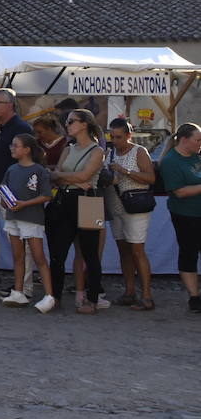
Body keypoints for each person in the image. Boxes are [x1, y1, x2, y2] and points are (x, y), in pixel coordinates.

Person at [48, 110, 106, 315]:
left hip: (89, 201)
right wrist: (72, 178)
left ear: (84, 124)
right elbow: (56, 176)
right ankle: (55, 296)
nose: (67, 125)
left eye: (71, 121)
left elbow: (85, 175)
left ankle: (92, 300)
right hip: (65, 199)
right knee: (58, 253)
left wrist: (64, 176)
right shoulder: (68, 148)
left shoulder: (97, 151)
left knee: (90, 253)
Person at [0, 133, 56, 312]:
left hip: (32, 218)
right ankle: (19, 291)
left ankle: (49, 295)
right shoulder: (11, 169)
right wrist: (5, 201)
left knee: (39, 257)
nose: (12, 149)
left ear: (27, 149)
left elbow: (46, 195)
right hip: (13, 217)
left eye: (16, 146)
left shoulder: (39, 171)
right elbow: (3, 190)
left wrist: (24, 204)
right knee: (18, 256)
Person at [103, 118, 156, 310]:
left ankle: (147, 295)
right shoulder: (109, 154)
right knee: (123, 250)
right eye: (112, 136)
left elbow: (150, 177)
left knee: (137, 250)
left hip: (135, 206)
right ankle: (130, 291)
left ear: (128, 135)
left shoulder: (139, 151)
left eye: (119, 137)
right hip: (116, 207)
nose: (115, 140)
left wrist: (124, 171)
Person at [0, 87, 32, 283]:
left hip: (16, 192)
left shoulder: (20, 129)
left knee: (22, 242)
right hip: (3, 190)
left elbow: (27, 163)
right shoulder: (3, 128)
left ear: (10, 105)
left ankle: (24, 286)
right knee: (14, 240)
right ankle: (19, 284)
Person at [160, 122, 201, 315]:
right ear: (184, 140)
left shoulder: (196, 156)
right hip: (186, 215)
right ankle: (194, 297)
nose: (200, 143)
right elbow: (180, 192)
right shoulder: (171, 161)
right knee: (189, 253)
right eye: (198, 140)